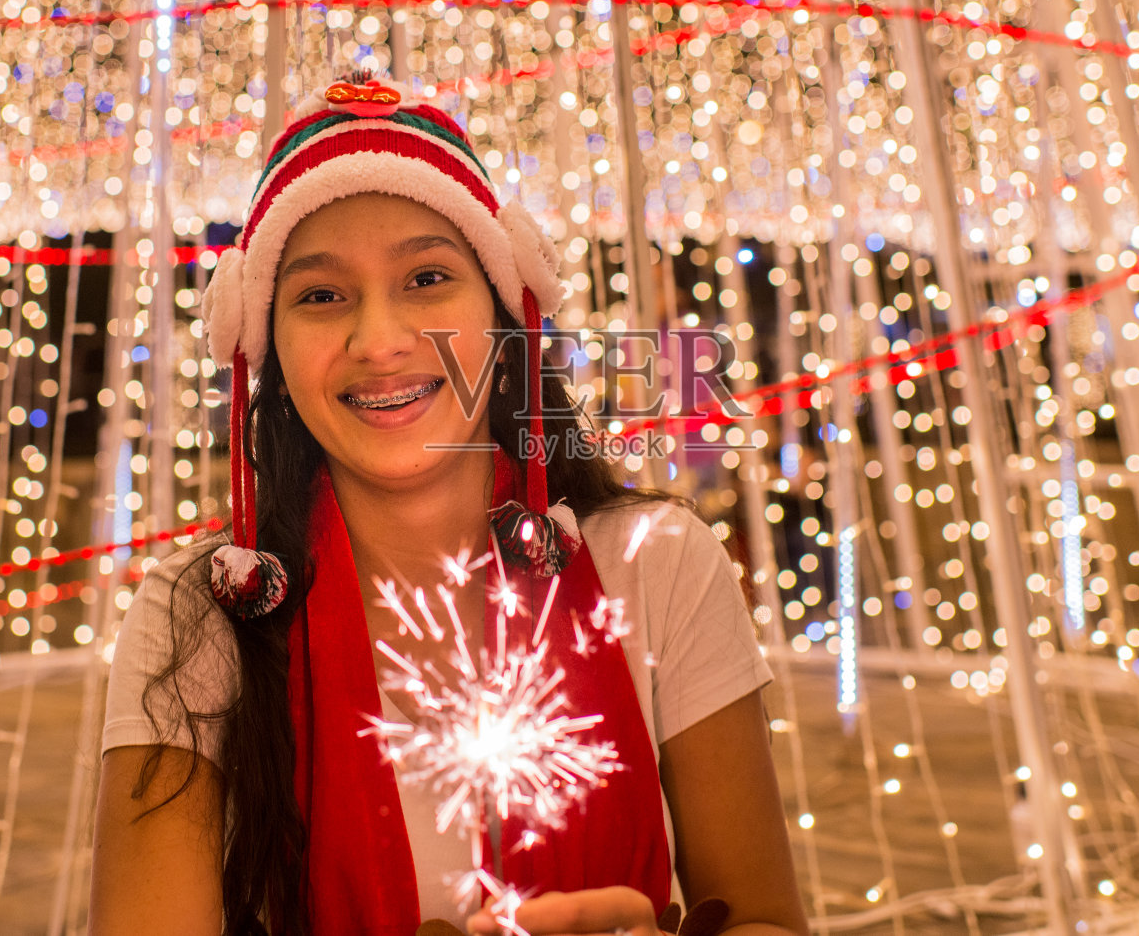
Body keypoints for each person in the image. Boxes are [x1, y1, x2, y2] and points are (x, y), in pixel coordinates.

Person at [89, 74, 809, 936]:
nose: (381, 339)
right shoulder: (198, 616)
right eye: (321, 295)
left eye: (427, 277)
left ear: (507, 316)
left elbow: (763, 918)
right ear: (263, 340)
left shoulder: (659, 562)